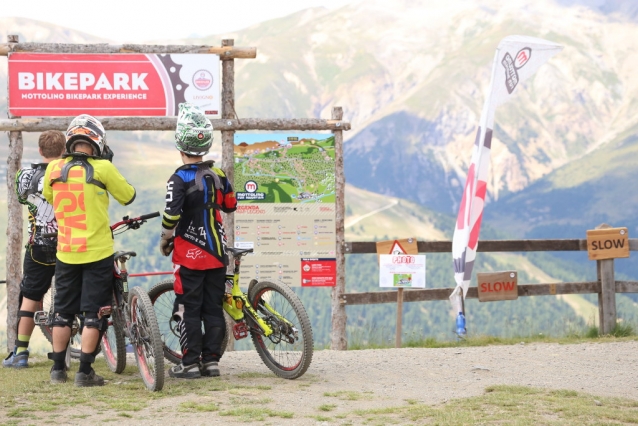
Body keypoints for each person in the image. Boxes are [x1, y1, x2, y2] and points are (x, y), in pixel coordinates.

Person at [43, 114, 136, 386]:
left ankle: (58, 370)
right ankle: (85, 372)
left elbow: (51, 196)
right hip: (97, 252)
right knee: (94, 313)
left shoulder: (54, 169)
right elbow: (128, 195)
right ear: (97, 142)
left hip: (66, 252)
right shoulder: (103, 168)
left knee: (62, 311)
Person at [160, 103, 237, 378]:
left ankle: (189, 363)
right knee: (212, 308)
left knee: (187, 307)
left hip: (188, 254)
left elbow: (171, 214)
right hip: (217, 252)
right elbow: (230, 205)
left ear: (180, 146)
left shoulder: (178, 178)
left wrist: (164, 238)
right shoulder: (218, 175)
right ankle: (211, 362)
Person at [3, 131, 65, 368]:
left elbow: (22, 198)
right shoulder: (68, 172)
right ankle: (64, 353)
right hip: (67, 243)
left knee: (29, 298)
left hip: (37, 244)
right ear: (63, 150)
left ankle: (20, 352)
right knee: (69, 295)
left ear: (40, 150)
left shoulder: (25, 175)